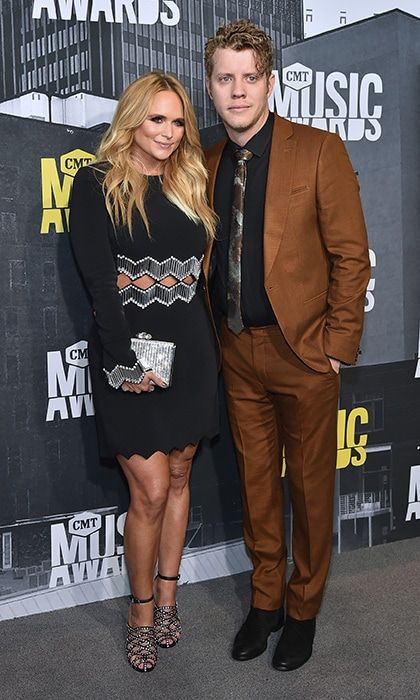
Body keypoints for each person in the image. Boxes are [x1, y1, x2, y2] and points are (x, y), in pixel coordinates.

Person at [203, 20, 370, 671]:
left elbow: (351, 256)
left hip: (304, 354)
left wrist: (336, 346)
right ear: (211, 86)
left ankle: (303, 610)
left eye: (249, 77)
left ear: (268, 83)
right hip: (236, 354)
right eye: (226, 78)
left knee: (308, 489)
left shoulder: (319, 149)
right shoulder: (209, 160)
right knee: (256, 489)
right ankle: (265, 601)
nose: (238, 91)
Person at [69, 71, 218, 673]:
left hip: (192, 353)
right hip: (128, 351)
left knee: (180, 475)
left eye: (178, 121)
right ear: (132, 118)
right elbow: (99, 285)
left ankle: (168, 601)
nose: (169, 132)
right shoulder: (97, 183)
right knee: (150, 490)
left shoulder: (190, 179)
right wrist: (124, 358)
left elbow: (200, 273)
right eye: (157, 118)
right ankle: (137, 615)